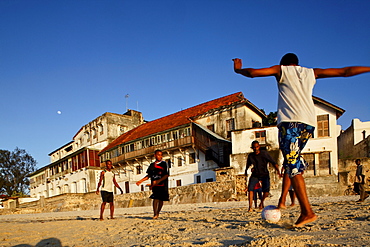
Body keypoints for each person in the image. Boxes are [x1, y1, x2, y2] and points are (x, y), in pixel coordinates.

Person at [233, 53, 370, 227]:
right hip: (308, 125)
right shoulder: (311, 73)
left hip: (290, 123)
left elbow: (253, 73)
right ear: (297, 64)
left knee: (293, 166)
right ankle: (285, 201)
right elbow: (345, 71)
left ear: (284, 64)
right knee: (292, 164)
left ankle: (307, 212)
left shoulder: (281, 70)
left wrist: (238, 70)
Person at [245, 141, 280, 212]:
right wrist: (246, 171)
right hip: (255, 175)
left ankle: (261, 203)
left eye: (257, 147)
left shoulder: (264, 154)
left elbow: (273, 162)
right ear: (252, 148)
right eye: (254, 147)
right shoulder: (251, 156)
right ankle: (250, 207)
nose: (255, 149)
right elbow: (247, 165)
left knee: (266, 191)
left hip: (264, 174)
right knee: (250, 189)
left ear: (259, 147)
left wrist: (278, 171)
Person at [136, 150, 170, 219]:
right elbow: (149, 175)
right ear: (155, 155)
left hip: (163, 184)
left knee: (161, 200)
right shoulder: (152, 165)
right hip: (155, 185)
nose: (160, 156)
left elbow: (166, 175)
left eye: (161, 155)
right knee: (155, 198)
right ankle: (155, 213)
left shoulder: (164, 163)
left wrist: (158, 181)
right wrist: (140, 181)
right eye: (158, 155)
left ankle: (158, 212)